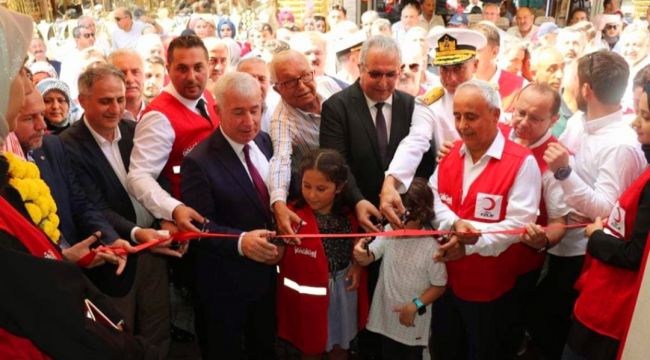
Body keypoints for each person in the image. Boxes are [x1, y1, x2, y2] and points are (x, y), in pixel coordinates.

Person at [60, 64, 185, 357]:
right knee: (118, 335)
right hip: (112, 258)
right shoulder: (67, 146)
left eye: (119, 99)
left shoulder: (133, 130)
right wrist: (136, 233)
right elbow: (92, 206)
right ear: (82, 101)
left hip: (153, 249)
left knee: (157, 325)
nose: (115, 108)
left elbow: (158, 179)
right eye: (105, 101)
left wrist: (165, 218)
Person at [541, 50, 646, 360]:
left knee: (555, 325)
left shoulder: (621, 145)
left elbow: (606, 210)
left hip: (585, 253)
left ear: (586, 89)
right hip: (560, 240)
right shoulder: (578, 121)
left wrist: (563, 173)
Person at [428, 79, 541, 359]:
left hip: (490, 291)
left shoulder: (522, 162)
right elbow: (433, 197)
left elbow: (518, 226)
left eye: (471, 116)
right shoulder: (451, 153)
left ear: (494, 114)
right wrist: (454, 223)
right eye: (457, 116)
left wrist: (470, 242)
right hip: (443, 284)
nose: (463, 125)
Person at [180, 72, 277, 359]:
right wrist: (241, 242)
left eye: (255, 110)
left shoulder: (265, 142)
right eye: (238, 112)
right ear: (217, 110)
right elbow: (199, 226)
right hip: (223, 289)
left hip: (266, 281)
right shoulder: (198, 162)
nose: (249, 121)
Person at [564, 82, 650, 360]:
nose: (636, 123)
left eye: (646, 117)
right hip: (601, 300)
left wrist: (597, 235)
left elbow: (635, 254)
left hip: (611, 312)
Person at [379, 29, 486, 210]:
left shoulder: (491, 97)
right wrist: (391, 181)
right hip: (447, 190)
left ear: (475, 65)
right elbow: (415, 141)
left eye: (458, 68)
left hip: (487, 182)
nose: (450, 78)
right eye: (444, 69)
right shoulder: (429, 103)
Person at [276, 148, 367, 359]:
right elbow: (277, 256)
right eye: (306, 186)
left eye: (321, 188)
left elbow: (360, 247)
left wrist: (358, 264)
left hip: (343, 291)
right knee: (310, 346)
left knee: (340, 346)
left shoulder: (350, 215)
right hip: (306, 299)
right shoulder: (290, 215)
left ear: (339, 187)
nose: (311, 195)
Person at [127, 35, 216, 233]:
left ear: (208, 67)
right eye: (182, 68)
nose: (192, 76)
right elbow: (138, 176)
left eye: (198, 67)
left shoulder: (208, 96)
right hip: (191, 227)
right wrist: (173, 209)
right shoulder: (159, 116)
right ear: (168, 70)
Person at [353, 177, 447, 360]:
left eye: (402, 217)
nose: (395, 222)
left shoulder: (432, 247)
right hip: (387, 318)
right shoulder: (390, 231)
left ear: (421, 215)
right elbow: (370, 256)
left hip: (414, 323)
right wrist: (361, 254)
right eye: (392, 215)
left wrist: (415, 305)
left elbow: (439, 285)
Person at [268, 50, 323, 236]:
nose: (301, 86)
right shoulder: (282, 121)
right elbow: (280, 160)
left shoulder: (329, 85)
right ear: (277, 89)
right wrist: (279, 204)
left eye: (306, 75)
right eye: (290, 82)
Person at [472, 22, 526, 112]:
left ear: (494, 52)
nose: (471, 56)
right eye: (467, 51)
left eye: (477, 51)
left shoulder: (521, 87)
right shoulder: (457, 85)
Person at [236, 57, 280, 133]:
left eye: (262, 79)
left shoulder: (278, 111)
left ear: (269, 83)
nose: (257, 85)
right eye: (249, 79)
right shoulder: (225, 112)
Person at [108, 49, 146, 121]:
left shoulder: (157, 112)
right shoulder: (101, 118)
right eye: (122, 73)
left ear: (144, 76)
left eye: (135, 72)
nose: (130, 79)